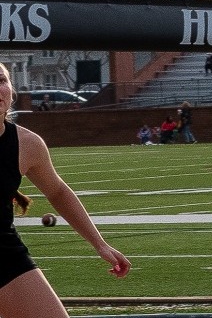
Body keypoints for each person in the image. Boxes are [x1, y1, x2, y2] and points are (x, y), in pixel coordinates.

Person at [0, 64, 131, 309]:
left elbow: (57, 191)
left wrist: (99, 244)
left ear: (11, 89)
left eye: (1, 81)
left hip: (4, 252)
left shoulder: (27, 144)